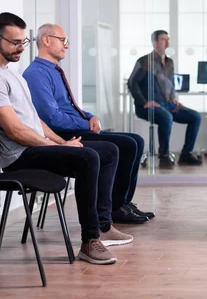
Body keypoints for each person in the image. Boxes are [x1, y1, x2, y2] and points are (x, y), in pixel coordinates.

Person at [0, 12, 133, 265]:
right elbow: (16, 132)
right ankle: (90, 240)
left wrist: (62, 143)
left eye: (23, 42)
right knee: (88, 157)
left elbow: (35, 121)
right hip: (19, 156)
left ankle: (104, 225)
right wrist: (56, 145)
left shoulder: (11, 72)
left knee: (109, 151)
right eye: (15, 43)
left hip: (35, 147)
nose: (21, 48)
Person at [23, 24, 154, 224]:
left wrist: (91, 116)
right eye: (63, 40)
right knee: (127, 145)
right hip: (61, 134)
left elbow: (69, 108)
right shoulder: (35, 74)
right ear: (47, 40)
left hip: (72, 128)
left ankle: (122, 202)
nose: (67, 46)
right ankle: (115, 207)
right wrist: (85, 123)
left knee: (136, 140)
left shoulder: (54, 71)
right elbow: (52, 118)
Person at [127, 30, 203, 167]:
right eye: (163, 39)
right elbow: (132, 83)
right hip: (147, 106)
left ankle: (185, 154)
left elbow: (170, 83)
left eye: (168, 39)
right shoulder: (145, 61)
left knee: (195, 117)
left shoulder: (169, 62)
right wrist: (144, 102)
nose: (167, 42)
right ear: (155, 42)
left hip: (166, 103)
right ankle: (164, 156)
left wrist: (173, 98)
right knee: (166, 117)